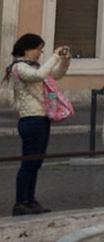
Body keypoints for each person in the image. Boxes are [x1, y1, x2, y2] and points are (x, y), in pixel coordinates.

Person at [7, 35, 71, 216]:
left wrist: (66, 60)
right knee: (28, 163)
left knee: (35, 163)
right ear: (26, 48)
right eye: (38, 49)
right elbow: (39, 75)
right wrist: (55, 56)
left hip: (42, 119)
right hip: (30, 119)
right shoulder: (19, 68)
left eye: (42, 51)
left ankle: (30, 201)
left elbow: (56, 74)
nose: (40, 54)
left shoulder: (35, 66)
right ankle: (20, 203)